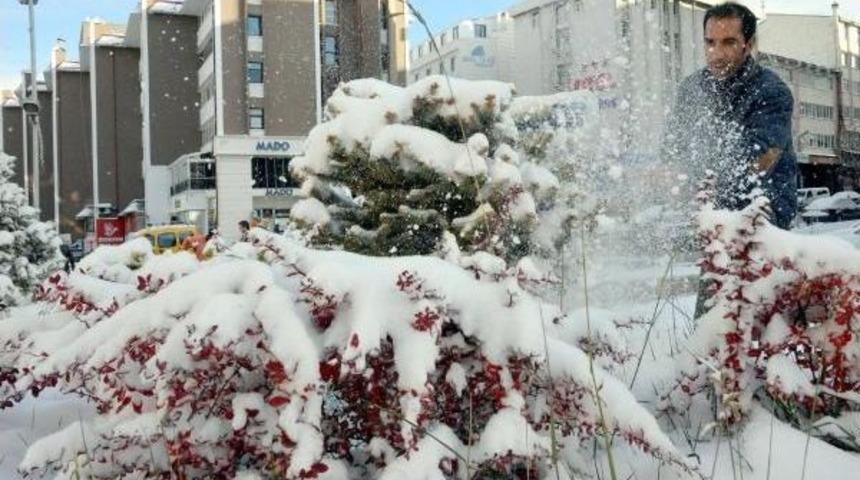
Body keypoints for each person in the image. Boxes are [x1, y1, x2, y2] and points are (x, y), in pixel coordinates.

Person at [663, 2, 797, 229]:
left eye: (729, 42)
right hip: (705, 216)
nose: (716, 53)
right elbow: (672, 148)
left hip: (761, 218)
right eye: (710, 42)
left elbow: (761, 159)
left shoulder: (771, 91)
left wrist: (698, 174)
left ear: (749, 44)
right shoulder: (692, 88)